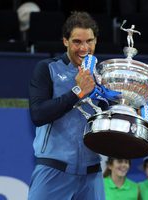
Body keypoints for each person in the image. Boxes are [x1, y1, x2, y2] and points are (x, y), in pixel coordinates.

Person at [27, 11, 105, 200]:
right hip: (53, 171)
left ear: (95, 41)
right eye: (77, 41)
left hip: (92, 176)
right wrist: (78, 91)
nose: (84, 48)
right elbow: (38, 114)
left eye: (89, 41)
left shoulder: (104, 76)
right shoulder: (47, 69)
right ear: (65, 41)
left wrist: (136, 105)